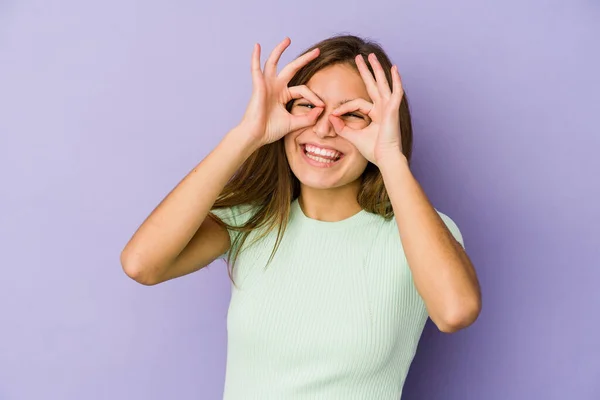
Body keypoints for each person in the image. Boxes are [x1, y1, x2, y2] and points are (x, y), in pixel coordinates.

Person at [121, 34, 482, 399]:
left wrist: (391, 157)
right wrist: (247, 135)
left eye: (352, 114)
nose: (324, 128)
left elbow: (456, 311)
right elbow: (141, 264)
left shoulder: (417, 231)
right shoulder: (252, 221)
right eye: (308, 106)